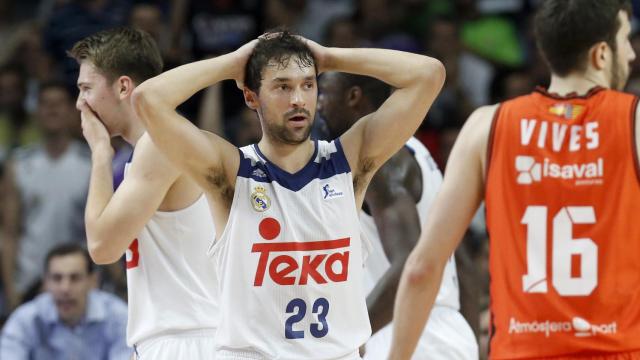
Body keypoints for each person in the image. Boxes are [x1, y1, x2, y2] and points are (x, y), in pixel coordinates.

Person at [132, 30, 445, 359]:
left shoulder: (350, 161)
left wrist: (328, 57)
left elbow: (429, 74)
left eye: (307, 84)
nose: (298, 99)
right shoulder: (230, 171)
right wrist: (233, 63)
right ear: (252, 97)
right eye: (283, 86)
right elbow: (147, 100)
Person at [390, 0, 640, 359]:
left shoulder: (486, 126)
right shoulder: (634, 123)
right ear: (601, 54)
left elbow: (421, 269)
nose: (631, 54)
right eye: (626, 40)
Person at [69, 27, 218, 359]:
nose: (80, 103)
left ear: (123, 86)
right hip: (177, 338)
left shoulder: (160, 143)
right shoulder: (156, 145)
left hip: (190, 340)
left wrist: (100, 154)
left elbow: (101, 247)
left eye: (86, 89)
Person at [317, 72, 477, 359]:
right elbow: (463, 264)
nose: (317, 106)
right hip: (448, 332)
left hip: (405, 331)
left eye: (323, 94)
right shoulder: (416, 149)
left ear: (353, 97)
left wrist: (347, 337)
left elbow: (407, 263)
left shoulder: (381, 157)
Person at [2, 81, 90, 311]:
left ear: (72, 110)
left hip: (77, 282)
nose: (52, 109)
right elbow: (9, 234)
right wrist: (11, 290)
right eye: (45, 103)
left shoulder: (90, 164)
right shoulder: (19, 165)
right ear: (36, 112)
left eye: (59, 103)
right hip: (29, 282)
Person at [0, 243, 131, 359]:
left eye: (75, 278)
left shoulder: (118, 317)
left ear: (93, 281)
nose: (65, 288)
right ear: (45, 282)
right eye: (57, 278)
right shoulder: (25, 320)